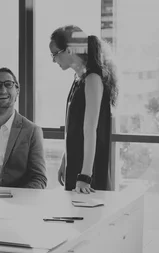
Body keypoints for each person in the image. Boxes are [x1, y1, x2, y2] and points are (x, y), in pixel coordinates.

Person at [50, 25, 119, 193]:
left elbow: (90, 129)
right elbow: (76, 127)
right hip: (77, 165)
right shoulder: (79, 79)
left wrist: (85, 176)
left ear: (68, 51)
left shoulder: (93, 79)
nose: (53, 60)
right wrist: (65, 160)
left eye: (55, 54)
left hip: (88, 170)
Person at [0, 67, 48, 189]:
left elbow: (39, 178)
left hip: (9, 201)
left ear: (17, 91)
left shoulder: (32, 131)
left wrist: (17, 199)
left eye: (8, 84)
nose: (3, 90)